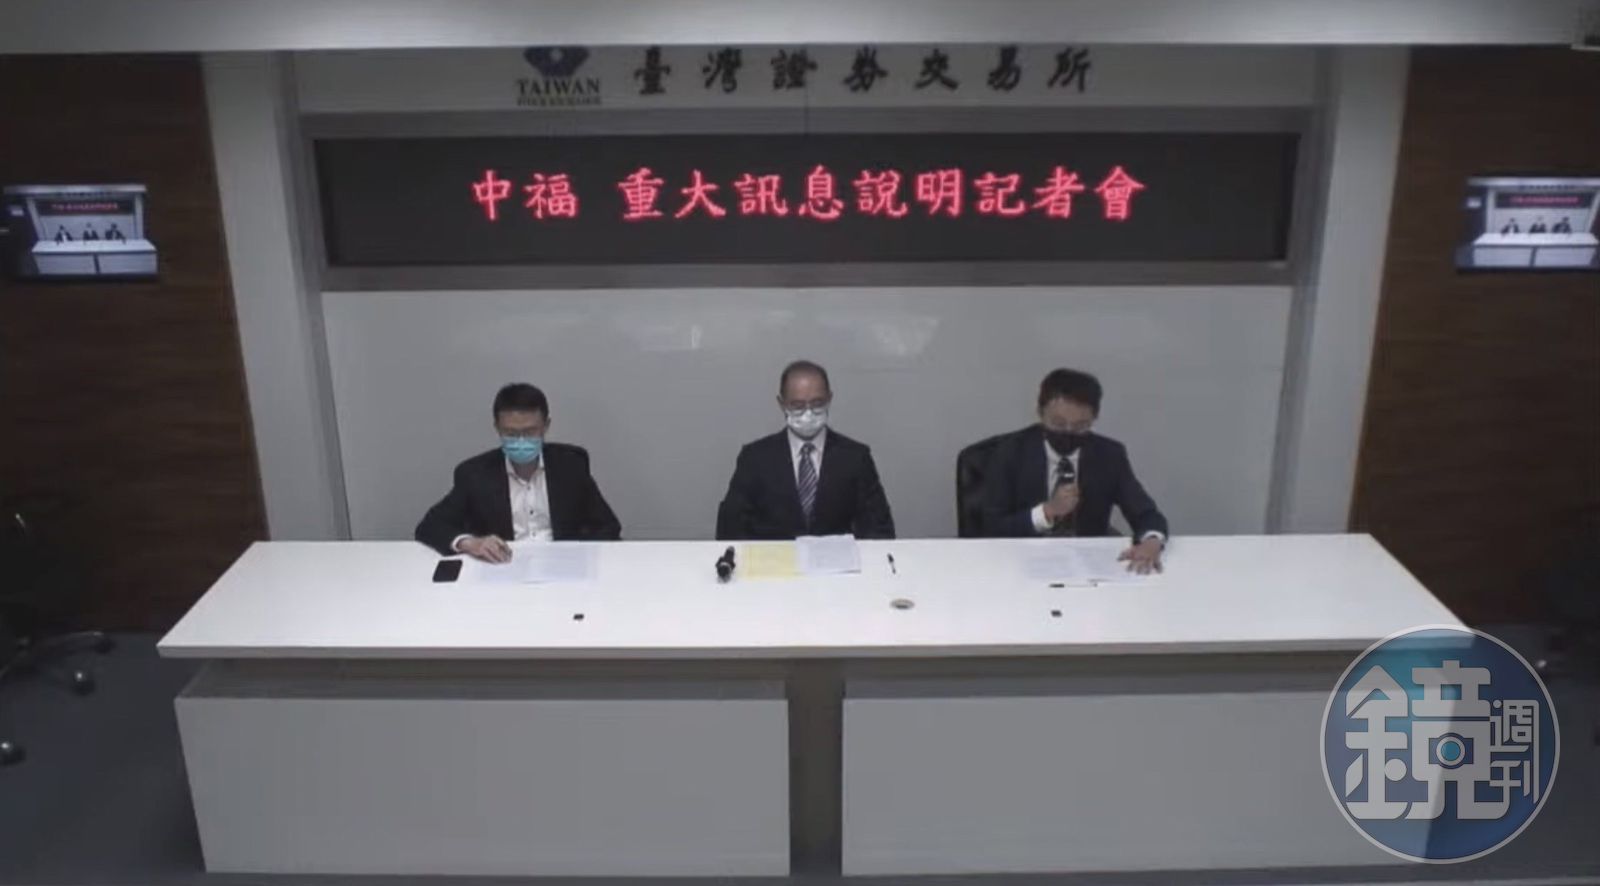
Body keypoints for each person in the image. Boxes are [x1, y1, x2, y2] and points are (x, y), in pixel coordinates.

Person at [978, 368, 1169, 573]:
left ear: (1094, 418)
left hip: (1088, 563)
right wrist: (1047, 512)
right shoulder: (1009, 452)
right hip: (1019, 561)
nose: (1068, 432)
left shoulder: (1109, 455)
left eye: (1080, 426)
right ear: (1040, 413)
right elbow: (991, 526)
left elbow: (1145, 513)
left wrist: (1152, 541)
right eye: (1058, 424)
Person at [415, 383, 620, 561]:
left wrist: (576, 553)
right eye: (511, 433)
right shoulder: (474, 474)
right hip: (502, 565)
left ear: (546, 426)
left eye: (530, 432)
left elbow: (608, 526)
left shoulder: (571, 465)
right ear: (497, 428)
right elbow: (430, 526)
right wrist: (470, 543)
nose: (521, 441)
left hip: (563, 564)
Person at [716, 360, 895, 540]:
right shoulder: (755, 459)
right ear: (781, 403)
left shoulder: (855, 458)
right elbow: (730, 528)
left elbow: (879, 529)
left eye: (817, 403)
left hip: (837, 557)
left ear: (829, 399)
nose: (808, 413)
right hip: (774, 556)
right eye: (797, 405)